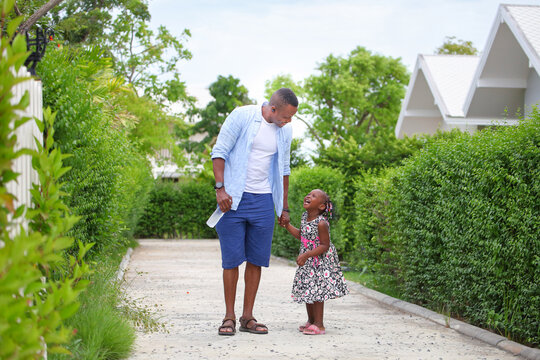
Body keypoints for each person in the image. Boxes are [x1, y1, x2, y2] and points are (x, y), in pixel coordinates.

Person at [211, 88, 298, 336]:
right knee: (231, 261)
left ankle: (247, 317)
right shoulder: (243, 116)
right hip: (233, 199)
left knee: (257, 259)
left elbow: (284, 168)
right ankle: (228, 317)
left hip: (263, 201)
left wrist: (283, 206)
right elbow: (220, 152)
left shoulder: (285, 131)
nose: (288, 122)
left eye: (291, 118)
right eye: (285, 116)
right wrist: (220, 189)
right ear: (272, 109)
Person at [281, 189, 349, 335]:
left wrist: (307, 255)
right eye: (308, 194)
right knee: (308, 291)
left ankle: (319, 324)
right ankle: (311, 321)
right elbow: (301, 235)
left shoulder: (321, 223)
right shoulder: (305, 217)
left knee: (317, 293)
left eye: (313, 196)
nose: (308, 196)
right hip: (308, 263)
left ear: (322, 206)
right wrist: (287, 226)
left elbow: (325, 245)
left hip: (319, 263)